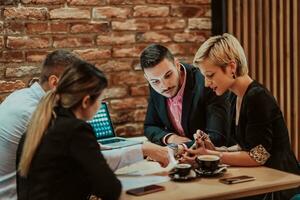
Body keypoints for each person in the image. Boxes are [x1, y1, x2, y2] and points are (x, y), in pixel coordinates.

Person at [0, 50, 170, 199]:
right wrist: (141, 150)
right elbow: (102, 177)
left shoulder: (25, 100)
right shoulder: (40, 116)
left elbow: (83, 156)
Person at [184, 33, 300, 200]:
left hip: (280, 183)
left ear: (232, 67)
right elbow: (245, 146)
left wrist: (214, 156)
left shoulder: (257, 97)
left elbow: (259, 156)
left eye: (210, 75)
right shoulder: (234, 96)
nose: (206, 83)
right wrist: (213, 149)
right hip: (261, 178)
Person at [140, 44, 231, 154]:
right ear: (147, 78)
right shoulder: (155, 85)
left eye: (168, 75)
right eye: (155, 81)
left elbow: (217, 138)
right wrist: (171, 138)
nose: (164, 86)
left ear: (177, 65)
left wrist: (175, 149)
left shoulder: (206, 84)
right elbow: (150, 126)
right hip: (184, 160)